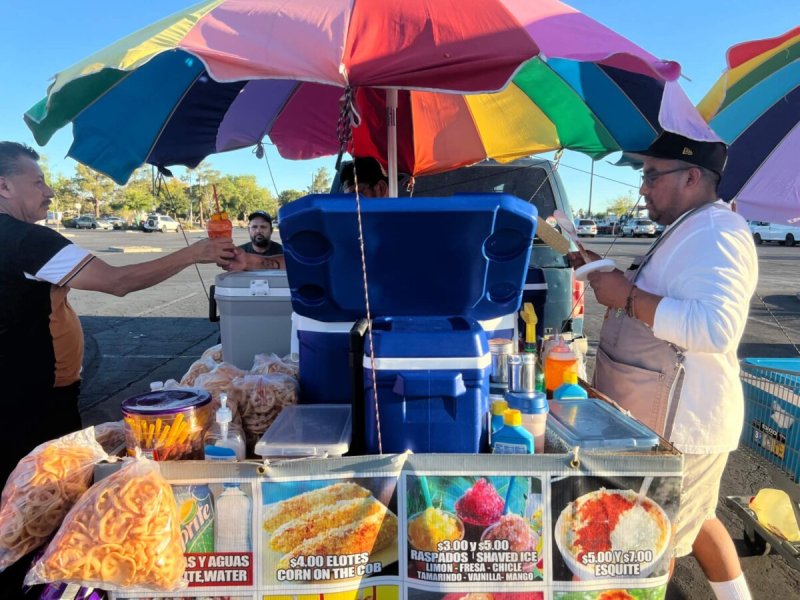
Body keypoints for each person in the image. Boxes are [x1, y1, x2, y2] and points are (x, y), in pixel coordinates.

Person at [570, 132, 756, 600]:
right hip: (666, 428)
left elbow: (716, 327)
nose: (642, 187)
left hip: (682, 432)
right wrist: (606, 275)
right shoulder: (691, 227)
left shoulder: (718, 232)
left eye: (652, 175)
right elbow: (669, 293)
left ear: (692, 177)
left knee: (649, 552)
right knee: (700, 520)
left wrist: (628, 297)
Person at [0, 141, 235, 481]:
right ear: (4, 186)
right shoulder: (27, 240)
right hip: (32, 399)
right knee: (44, 489)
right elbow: (117, 281)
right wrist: (193, 254)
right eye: (38, 182)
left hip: (19, 390)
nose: (49, 191)